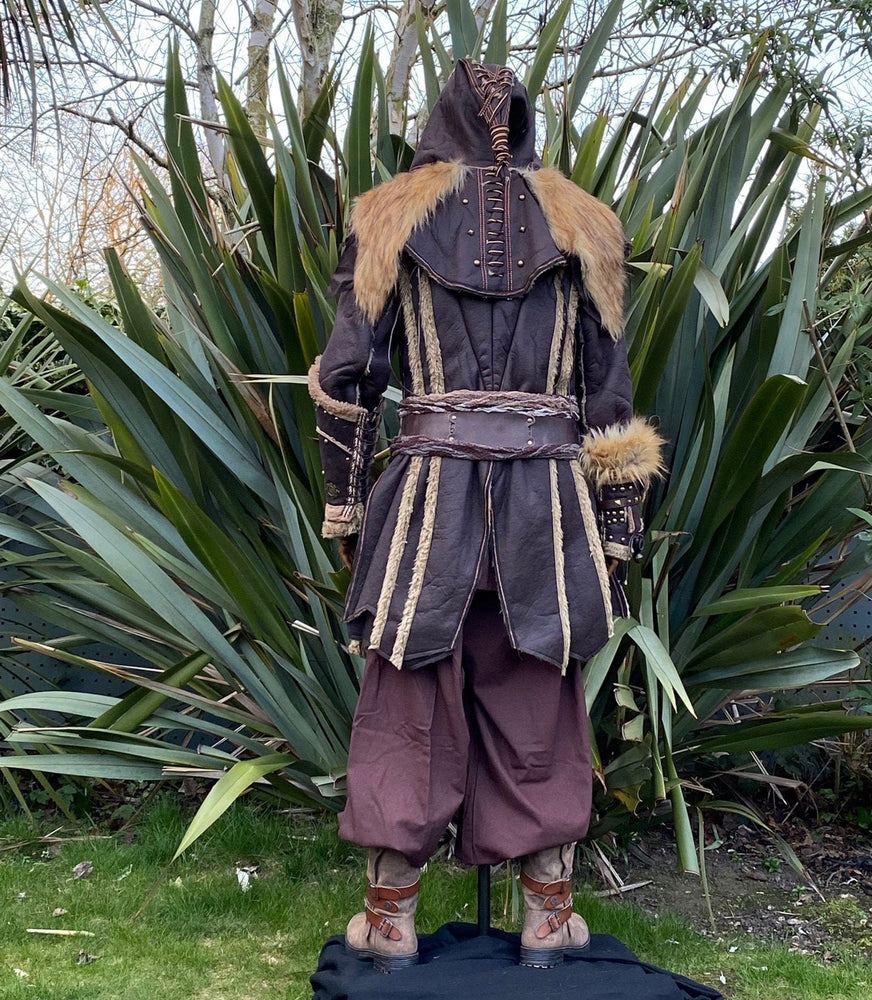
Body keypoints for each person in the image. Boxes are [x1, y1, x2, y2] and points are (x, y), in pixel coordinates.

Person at [309, 58, 662, 973]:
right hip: (547, 501)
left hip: (429, 498)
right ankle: (548, 917)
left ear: (444, 120)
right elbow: (609, 395)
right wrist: (615, 530)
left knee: (407, 700)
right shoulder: (584, 224)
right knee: (537, 696)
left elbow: (349, 378)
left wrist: (346, 505)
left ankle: (390, 923)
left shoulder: (391, 217)